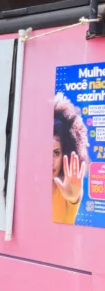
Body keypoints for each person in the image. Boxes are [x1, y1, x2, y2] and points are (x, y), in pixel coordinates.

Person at [53, 92, 89, 224]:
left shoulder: (68, 187)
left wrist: (74, 198)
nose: (50, 161)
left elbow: (73, 198)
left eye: (56, 153)